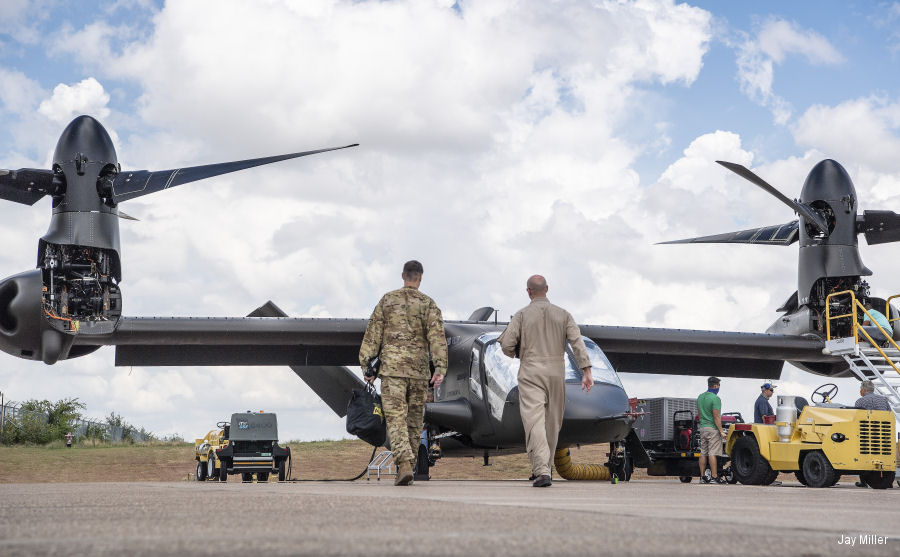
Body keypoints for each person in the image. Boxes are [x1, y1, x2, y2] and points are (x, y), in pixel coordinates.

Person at [498, 275, 593, 488]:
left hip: (531, 371)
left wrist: (519, 353)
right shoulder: (564, 314)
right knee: (553, 423)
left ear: (528, 291)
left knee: (534, 421)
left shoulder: (521, 315)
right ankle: (544, 468)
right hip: (556, 372)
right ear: (547, 289)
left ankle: (541, 470)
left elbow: (506, 345)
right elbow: (577, 342)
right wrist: (586, 370)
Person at [359, 260, 448, 486]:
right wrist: (440, 368)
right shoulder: (428, 304)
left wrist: (367, 365)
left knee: (396, 418)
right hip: (419, 372)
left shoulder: (387, 301)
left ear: (403, 275)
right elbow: (437, 337)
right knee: (415, 421)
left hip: (392, 372)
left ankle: (404, 463)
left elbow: (372, 335)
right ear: (420, 277)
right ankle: (410, 464)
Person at [852, 380, 892, 487]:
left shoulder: (860, 401)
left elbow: (856, 418)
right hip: (884, 433)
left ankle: (863, 482)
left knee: (862, 454)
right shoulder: (883, 400)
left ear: (864, 390)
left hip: (867, 434)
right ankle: (888, 481)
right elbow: (889, 414)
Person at [697, 376, 727, 484]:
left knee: (703, 453)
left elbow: (699, 415)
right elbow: (716, 417)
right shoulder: (715, 398)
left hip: (703, 428)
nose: (719, 387)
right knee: (712, 453)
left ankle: (702, 477)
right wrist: (721, 431)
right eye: (719, 385)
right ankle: (714, 476)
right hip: (713, 429)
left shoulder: (700, 397)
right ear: (715, 385)